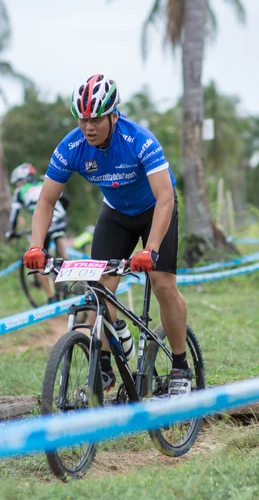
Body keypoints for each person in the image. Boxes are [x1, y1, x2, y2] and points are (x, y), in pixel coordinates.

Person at [23, 73, 191, 396]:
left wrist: (150, 249)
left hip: (156, 209)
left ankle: (181, 365)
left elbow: (166, 197)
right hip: (115, 213)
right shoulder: (71, 146)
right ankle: (103, 364)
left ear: (113, 114)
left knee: (162, 284)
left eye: (96, 118)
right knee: (98, 291)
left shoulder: (139, 140)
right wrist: (36, 246)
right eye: (83, 118)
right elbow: (46, 200)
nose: (89, 126)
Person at [7, 162, 70, 304]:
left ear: (21, 180)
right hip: (61, 219)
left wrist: (11, 232)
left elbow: (14, 214)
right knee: (62, 254)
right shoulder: (44, 183)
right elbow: (66, 200)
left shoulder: (20, 191)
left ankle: (51, 297)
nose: (17, 186)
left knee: (38, 261)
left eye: (16, 183)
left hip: (45, 223)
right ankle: (68, 277)